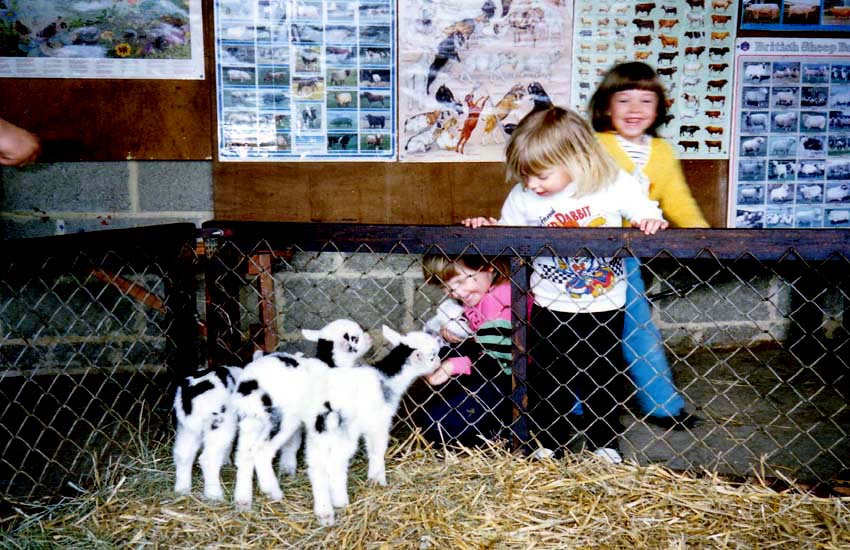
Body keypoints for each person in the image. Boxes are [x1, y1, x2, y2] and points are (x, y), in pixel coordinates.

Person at [463, 106, 669, 464]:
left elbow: (642, 207)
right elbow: (506, 234)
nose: (531, 184)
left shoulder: (611, 183)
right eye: (525, 175)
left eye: (539, 175)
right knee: (546, 379)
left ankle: (605, 444)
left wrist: (649, 219)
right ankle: (547, 444)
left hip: (604, 304)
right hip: (549, 304)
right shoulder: (524, 198)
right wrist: (486, 227)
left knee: (601, 377)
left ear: (574, 157)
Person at [588, 62, 709, 429]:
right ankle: (573, 407)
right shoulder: (593, 145)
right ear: (606, 106)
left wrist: (704, 237)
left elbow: (678, 199)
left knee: (638, 329)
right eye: (624, 100)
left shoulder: (662, 152)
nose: (635, 110)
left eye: (646, 100)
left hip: (627, 260)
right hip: (583, 253)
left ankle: (663, 406)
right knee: (580, 335)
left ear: (659, 109)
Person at [416, 254, 514, 448]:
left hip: (506, 378)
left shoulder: (501, 298)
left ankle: (500, 431)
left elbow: (501, 356)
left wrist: (454, 365)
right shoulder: (484, 293)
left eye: (460, 281)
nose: (457, 292)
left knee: (436, 426)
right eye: (448, 287)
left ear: (489, 267)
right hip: (489, 372)